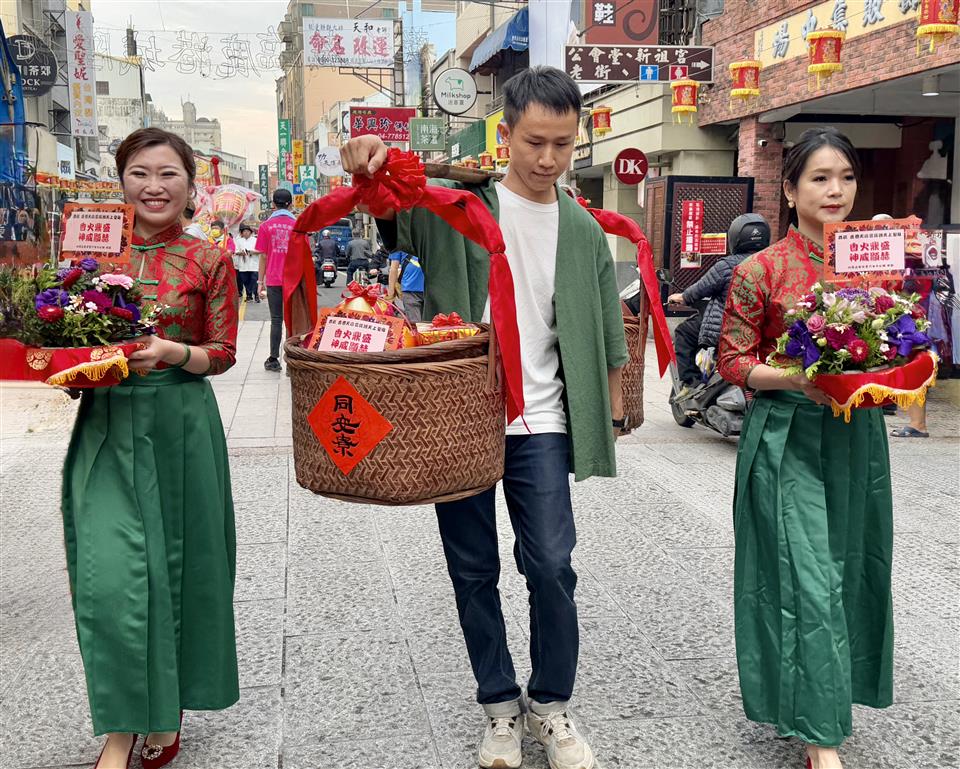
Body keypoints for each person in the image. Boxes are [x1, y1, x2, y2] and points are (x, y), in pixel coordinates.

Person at [340, 66, 628, 769]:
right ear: (506, 135)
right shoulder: (458, 208)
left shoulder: (583, 227)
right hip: (460, 416)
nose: (548, 158)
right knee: (472, 567)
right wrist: (369, 164)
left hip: (543, 418)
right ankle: (499, 706)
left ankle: (551, 704)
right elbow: (391, 207)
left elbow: (606, 324)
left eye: (563, 144)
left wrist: (613, 404)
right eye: (534, 141)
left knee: (552, 564)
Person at [61, 127, 239, 769]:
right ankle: (122, 725)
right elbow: (64, 338)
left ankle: (164, 710)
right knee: (110, 576)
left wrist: (171, 352)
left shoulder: (209, 260)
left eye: (169, 174)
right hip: (107, 422)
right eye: (139, 173)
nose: (154, 187)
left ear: (191, 185)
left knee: (180, 570)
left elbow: (223, 353)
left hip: (180, 423)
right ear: (121, 181)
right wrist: (70, 366)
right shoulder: (87, 253)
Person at [717, 126, 894, 769]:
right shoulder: (760, 270)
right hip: (786, 437)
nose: (835, 190)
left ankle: (826, 696)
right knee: (807, 578)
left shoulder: (873, 262)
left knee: (853, 569)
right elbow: (732, 361)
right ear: (790, 191)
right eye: (820, 178)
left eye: (846, 177)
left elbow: (898, 343)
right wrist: (797, 379)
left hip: (856, 437)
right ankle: (822, 738)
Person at [668, 213, 771, 397]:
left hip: (727, 327)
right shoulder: (772, 263)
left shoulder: (727, 265)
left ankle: (690, 383)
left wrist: (683, 297)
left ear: (735, 237)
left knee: (683, 332)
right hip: (763, 327)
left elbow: (700, 288)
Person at [256, 188, 296, 372]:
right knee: (292, 321)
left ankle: (273, 359)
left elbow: (263, 256)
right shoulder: (297, 226)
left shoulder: (265, 226)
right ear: (291, 204)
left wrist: (260, 282)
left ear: (273, 204)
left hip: (273, 280)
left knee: (276, 320)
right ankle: (293, 361)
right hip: (293, 280)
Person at [386, 248, 424, 322]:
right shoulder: (398, 245)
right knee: (415, 324)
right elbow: (393, 269)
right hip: (410, 291)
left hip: (431, 290)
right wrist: (390, 295)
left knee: (432, 324)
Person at [233, 224, 260, 302]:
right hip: (243, 265)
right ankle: (249, 295)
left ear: (250, 232)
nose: (246, 233)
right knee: (245, 281)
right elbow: (235, 251)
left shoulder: (255, 240)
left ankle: (256, 295)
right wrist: (241, 253)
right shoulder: (239, 241)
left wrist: (252, 252)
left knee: (254, 280)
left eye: (247, 231)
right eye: (244, 231)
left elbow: (260, 250)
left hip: (254, 264)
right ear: (242, 233)